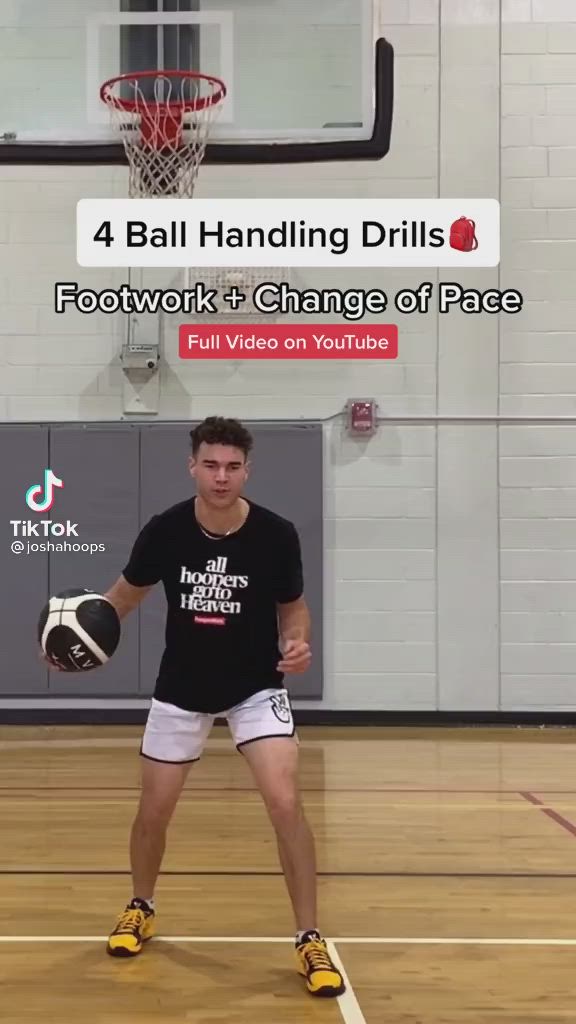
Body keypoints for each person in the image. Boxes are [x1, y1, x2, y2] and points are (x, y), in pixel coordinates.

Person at [82, 416, 344, 998]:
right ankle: (140, 906)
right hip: (182, 687)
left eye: (232, 466)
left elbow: (293, 606)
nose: (221, 476)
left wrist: (298, 642)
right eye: (210, 464)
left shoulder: (276, 534)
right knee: (154, 810)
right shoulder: (166, 530)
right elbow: (122, 598)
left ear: (246, 470)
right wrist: (79, 637)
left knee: (284, 802)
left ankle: (309, 937)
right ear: (192, 466)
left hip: (256, 686)